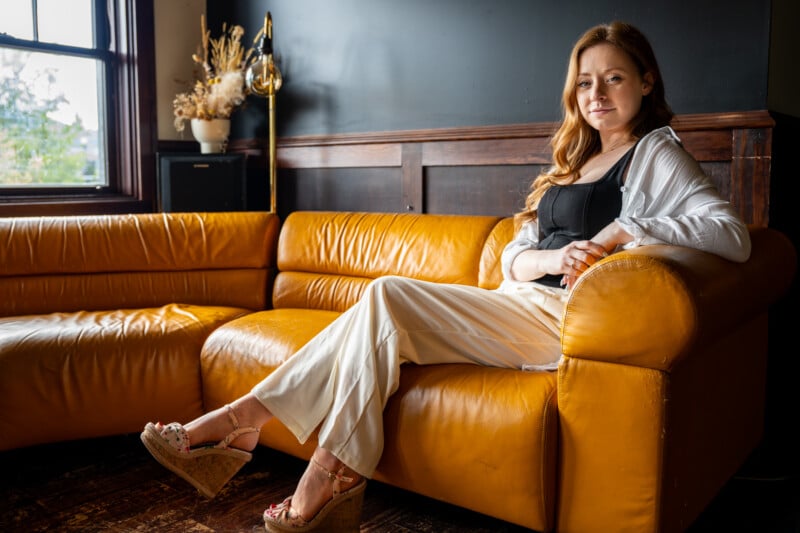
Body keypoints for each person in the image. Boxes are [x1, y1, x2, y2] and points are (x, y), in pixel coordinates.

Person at [140, 20, 751, 532]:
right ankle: (263, 431)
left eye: (614, 78)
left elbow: (731, 234)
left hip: (570, 321)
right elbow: (517, 253)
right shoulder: (575, 157)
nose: (597, 93)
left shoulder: (657, 153)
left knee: (384, 294)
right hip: (521, 298)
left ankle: (282, 445)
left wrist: (623, 232)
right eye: (586, 81)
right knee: (375, 317)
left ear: (645, 82)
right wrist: (550, 258)